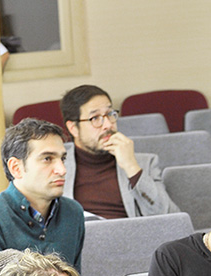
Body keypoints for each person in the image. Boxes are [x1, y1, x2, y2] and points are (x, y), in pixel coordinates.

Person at [61, 84, 179, 219]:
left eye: (110, 114)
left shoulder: (144, 163)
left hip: (131, 232)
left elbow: (171, 218)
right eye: (95, 118)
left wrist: (131, 167)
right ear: (73, 128)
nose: (108, 125)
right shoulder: (56, 167)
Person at [0, 119, 85, 270]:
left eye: (62, 159)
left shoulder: (73, 212)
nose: (62, 170)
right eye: (47, 159)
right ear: (16, 168)